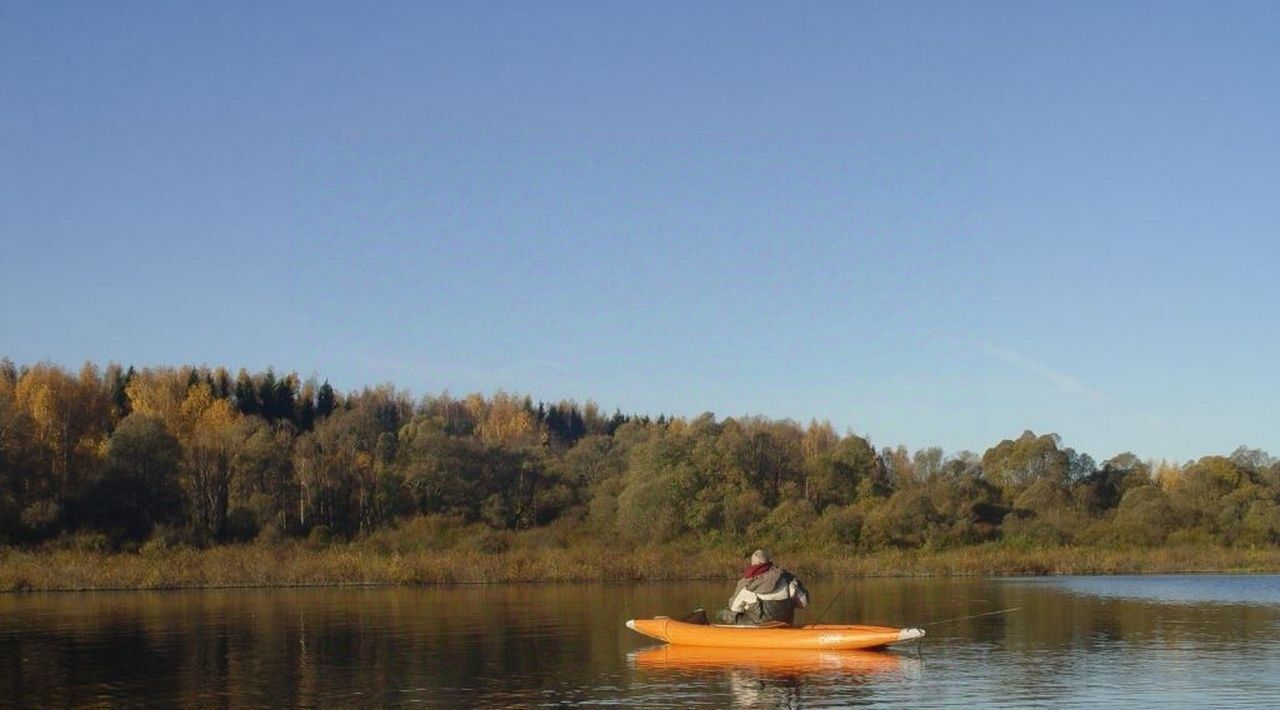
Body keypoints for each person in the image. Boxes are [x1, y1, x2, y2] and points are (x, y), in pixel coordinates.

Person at [717, 549, 809, 625]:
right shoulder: (787, 580)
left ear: (753, 565)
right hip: (785, 624)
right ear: (769, 563)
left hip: (757, 628)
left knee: (723, 614)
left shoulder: (747, 584)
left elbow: (734, 608)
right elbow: (803, 603)